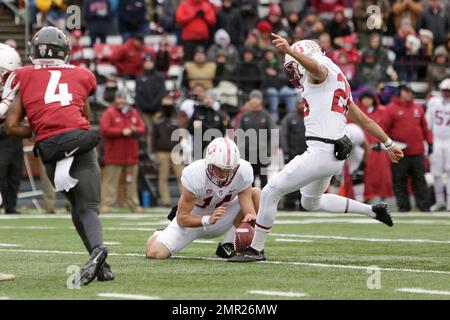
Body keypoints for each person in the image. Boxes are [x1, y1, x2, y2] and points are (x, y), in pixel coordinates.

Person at [229, 34, 404, 262]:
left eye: (294, 67)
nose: (293, 72)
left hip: (321, 151)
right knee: (310, 202)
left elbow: (316, 70)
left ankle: (256, 249)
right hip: (334, 153)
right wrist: (388, 143)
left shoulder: (320, 71)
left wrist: (291, 52)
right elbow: (365, 120)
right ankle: (373, 210)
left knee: (271, 191)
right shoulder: (339, 79)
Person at [4, 27, 113, 285]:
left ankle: (103, 265)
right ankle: (99, 252)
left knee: (76, 205)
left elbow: (10, 126)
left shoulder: (24, 76)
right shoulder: (82, 74)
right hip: (80, 142)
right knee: (88, 208)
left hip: (50, 147)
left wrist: (40, 127)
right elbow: (83, 114)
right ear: (65, 52)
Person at [146, 137, 260, 259]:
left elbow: (248, 208)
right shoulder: (194, 174)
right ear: (210, 164)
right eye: (220, 168)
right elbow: (182, 218)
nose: (225, 173)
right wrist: (208, 219)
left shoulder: (243, 169)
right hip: (194, 219)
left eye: (229, 169)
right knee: (155, 254)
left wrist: (250, 221)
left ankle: (228, 244)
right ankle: (160, 234)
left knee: (256, 193)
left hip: (223, 215)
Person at [383, 84, 433, 212]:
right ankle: (403, 207)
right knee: (399, 181)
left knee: (420, 180)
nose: (410, 94)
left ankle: (424, 206)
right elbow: (384, 129)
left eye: (411, 91)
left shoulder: (418, 108)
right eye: (407, 91)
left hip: (417, 152)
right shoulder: (391, 109)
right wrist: (389, 146)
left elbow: (425, 127)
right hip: (399, 152)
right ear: (400, 92)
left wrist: (430, 142)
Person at [99, 88, 146, 214]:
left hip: (131, 156)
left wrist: (134, 129)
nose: (122, 100)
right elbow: (104, 129)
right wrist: (122, 131)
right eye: (119, 98)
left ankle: (134, 205)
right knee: (110, 183)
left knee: (131, 183)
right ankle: (106, 205)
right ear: (115, 99)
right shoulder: (110, 112)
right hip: (114, 156)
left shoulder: (133, 112)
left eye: (124, 98)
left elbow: (142, 128)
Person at [0, 43, 22, 215]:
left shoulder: (14, 85)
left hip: (12, 132)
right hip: (4, 131)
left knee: (15, 170)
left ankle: (11, 205)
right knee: (2, 168)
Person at [153, 94, 184, 207]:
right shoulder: (158, 118)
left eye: (169, 100)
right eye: (165, 100)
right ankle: (166, 201)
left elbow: (181, 135)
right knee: (163, 177)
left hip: (176, 150)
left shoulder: (177, 117)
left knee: (181, 176)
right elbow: (154, 136)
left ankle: (184, 199)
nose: (167, 103)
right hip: (162, 151)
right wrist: (154, 151)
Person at [238, 90, 274, 189]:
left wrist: (269, 151)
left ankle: (264, 202)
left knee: (264, 179)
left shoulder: (267, 116)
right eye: (252, 98)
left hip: (262, 154)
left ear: (261, 101)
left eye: (256, 98)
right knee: (249, 179)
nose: (254, 101)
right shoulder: (244, 116)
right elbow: (240, 134)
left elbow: (272, 134)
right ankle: (250, 202)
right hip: (248, 154)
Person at [426, 78, 450, 211]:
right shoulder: (434, 102)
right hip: (436, 140)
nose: (446, 93)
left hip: (449, 141)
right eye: (445, 91)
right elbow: (427, 123)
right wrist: (428, 141)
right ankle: (440, 200)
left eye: (449, 91)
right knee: (436, 172)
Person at [280, 95, 307, 210]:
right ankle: (289, 203)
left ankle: (304, 203)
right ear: (296, 105)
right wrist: (286, 152)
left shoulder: (310, 118)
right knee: (291, 179)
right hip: (293, 155)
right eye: (299, 103)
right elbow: (283, 136)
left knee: (306, 179)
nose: (301, 106)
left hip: (307, 155)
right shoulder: (290, 118)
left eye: (303, 104)